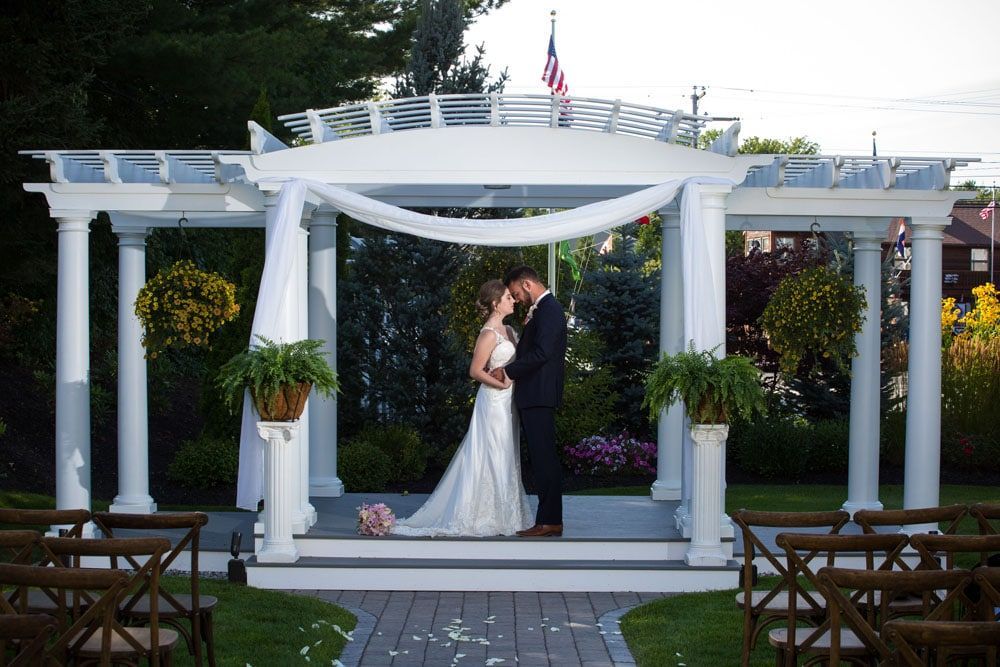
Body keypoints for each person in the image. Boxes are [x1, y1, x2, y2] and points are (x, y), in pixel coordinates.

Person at [394, 280, 533, 537]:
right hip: (492, 401)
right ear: (495, 303)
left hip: (509, 403)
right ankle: (482, 514)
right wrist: (501, 385)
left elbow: (520, 361)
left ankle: (506, 512)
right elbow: (475, 370)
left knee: (507, 451)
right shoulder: (488, 333)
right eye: (507, 297)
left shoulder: (510, 331)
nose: (513, 300)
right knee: (490, 451)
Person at [491, 266, 567, 538]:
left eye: (515, 293)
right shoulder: (542, 310)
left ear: (526, 284)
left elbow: (543, 353)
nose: (517, 299)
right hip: (535, 394)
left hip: (539, 394)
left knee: (544, 457)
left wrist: (508, 371)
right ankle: (549, 518)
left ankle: (549, 520)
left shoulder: (549, 310)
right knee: (541, 456)